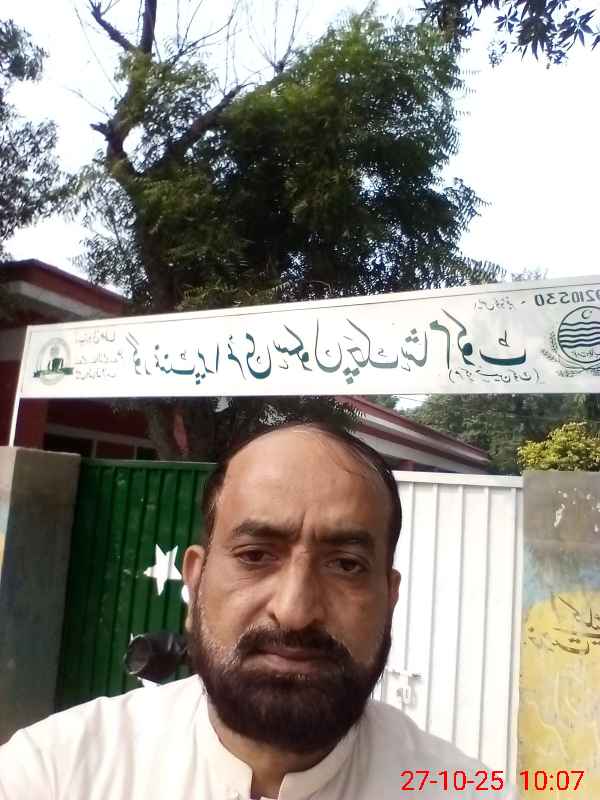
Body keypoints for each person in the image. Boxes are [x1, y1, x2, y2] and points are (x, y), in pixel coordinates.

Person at [0, 421, 516, 799]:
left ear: (390, 596)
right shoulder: (56, 772)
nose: (294, 612)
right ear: (195, 580)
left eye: (346, 565)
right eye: (254, 556)